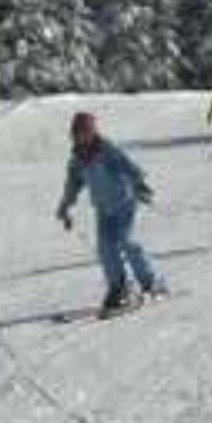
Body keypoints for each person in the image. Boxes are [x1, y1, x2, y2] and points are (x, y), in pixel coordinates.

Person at [55, 111, 166, 316]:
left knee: (126, 241)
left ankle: (151, 282)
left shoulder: (107, 150)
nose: (80, 137)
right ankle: (119, 286)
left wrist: (140, 185)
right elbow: (72, 184)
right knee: (106, 249)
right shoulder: (77, 158)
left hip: (124, 203)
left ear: (92, 132)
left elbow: (129, 167)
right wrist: (65, 206)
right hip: (103, 209)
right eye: (76, 134)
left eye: (84, 133)